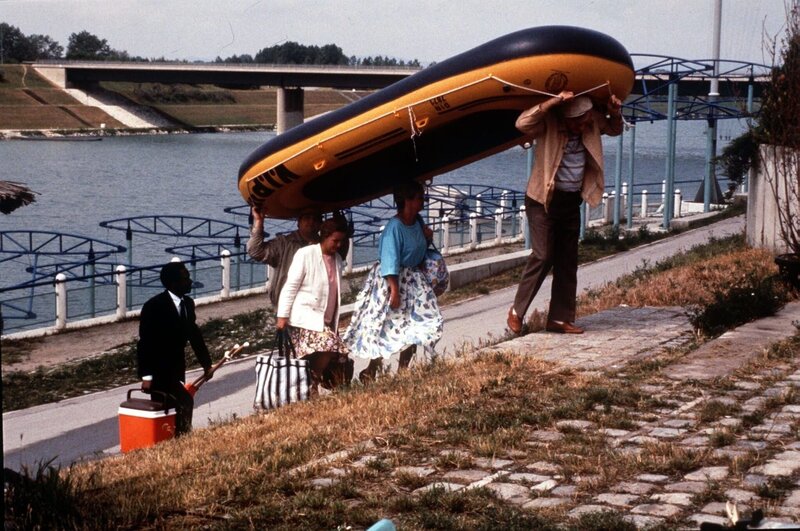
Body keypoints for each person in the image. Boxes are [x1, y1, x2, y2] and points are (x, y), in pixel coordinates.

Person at [507, 91, 623, 336]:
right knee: (543, 254)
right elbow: (522, 123)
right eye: (577, 122)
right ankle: (517, 312)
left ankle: (559, 319)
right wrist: (553, 102)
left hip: (570, 200)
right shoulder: (550, 121)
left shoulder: (590, 121)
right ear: (566, 117)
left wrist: (614, 110)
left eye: (585, 120)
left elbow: (614, 129)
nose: (582, 126)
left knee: (567, 261)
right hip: (542, 200)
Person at [344, 180, 444, 382]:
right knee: (388, 326)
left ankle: (403, 370)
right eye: (419, 198)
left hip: (413, 281)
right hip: (394, 281)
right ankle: (371, 370)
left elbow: (418, 249)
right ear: (406, 200)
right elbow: (390, 260)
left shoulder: (417, 222)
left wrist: (426, 238)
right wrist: (394, 290)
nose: (422, 202)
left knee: (416, 325)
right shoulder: (394, 228)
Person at [276, 217, 351, 395]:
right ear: (324, 237)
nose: (338, 245)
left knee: (328, 352)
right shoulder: (306, 254)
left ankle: (311, 384)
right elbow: (291, 286)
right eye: (335, 240)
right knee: (331, 344)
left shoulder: (338, 260)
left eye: (341, 241)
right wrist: (282, 317)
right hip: (305, 317)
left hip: (325, 320)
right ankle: (311, 382)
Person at [137, 261, 212, 436]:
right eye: (186, 278)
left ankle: (177, 439)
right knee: (180, 403)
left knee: (176, 408)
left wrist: (206, 364)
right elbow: (145, 344)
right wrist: (147, 377)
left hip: (176, 368)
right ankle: (180, 439)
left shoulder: (188, 304)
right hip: (158, 370)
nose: (190, 281)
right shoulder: (153, 307)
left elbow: (195, 336)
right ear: (173, 283)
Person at [247, 208, 350, 308]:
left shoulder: (326, 247)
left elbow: (341, 255)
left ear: (321, 224)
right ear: (298, 222)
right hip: (288, 308)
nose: (311, 222)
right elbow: (255, 251)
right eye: (307, 218)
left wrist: (340, 224)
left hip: (317, 308)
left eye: (316, 219)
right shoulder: (284, 244)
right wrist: (259, 222)